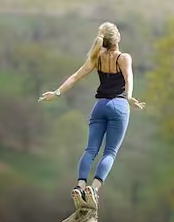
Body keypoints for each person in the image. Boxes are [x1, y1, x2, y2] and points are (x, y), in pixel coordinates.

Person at [38, 22, 146, 209]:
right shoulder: (124, 57)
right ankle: (93, 189)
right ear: (117, 38)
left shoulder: (97, 58)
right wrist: (128, 98)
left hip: (99, 107)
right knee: (110, 152)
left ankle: (80, 186)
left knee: (90, 150)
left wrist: (56, 93)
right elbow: (129, 78)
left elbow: (75, 77)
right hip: (118, 106)